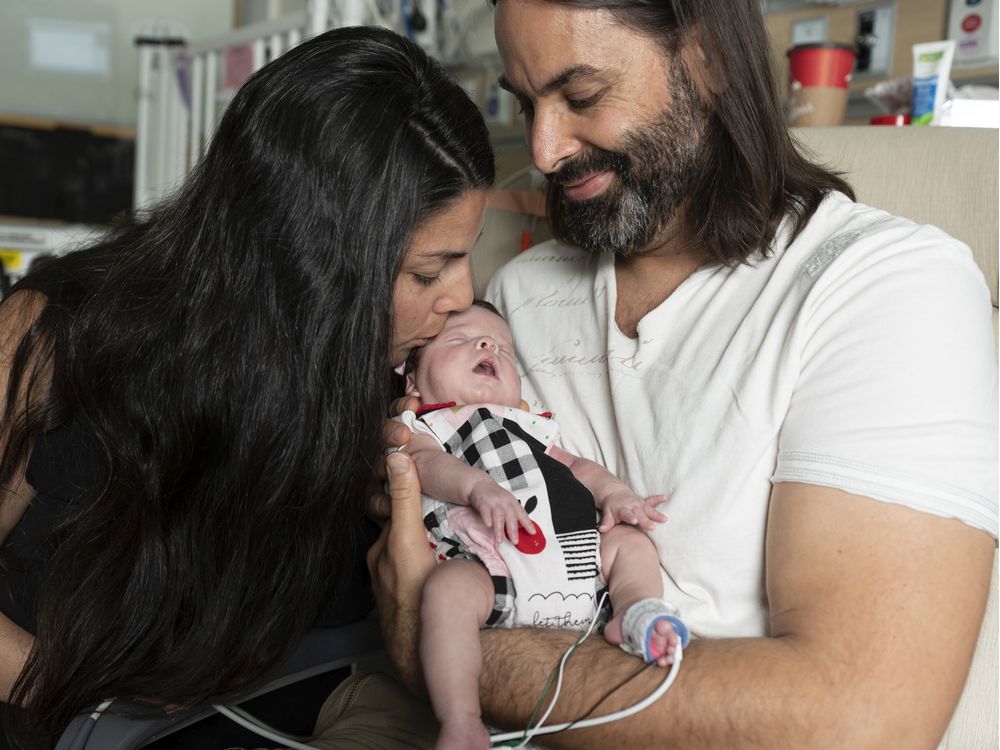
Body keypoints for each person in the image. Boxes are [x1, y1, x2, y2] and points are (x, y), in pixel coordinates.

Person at [368, 0, 998, 747]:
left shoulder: (884, 286)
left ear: (707, 57)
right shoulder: (513, 300)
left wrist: (440, 650)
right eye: (526, 102)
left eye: (582, 95)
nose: (543, 149)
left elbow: (861, 722)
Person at [0, 26, 493, 749]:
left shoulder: (384, 388)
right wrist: (69, 686)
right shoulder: (53, 338)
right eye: (429, 271)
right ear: (312, 265)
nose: (464, 295)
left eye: (465, 259)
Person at [399, 300, 680, 749]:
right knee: (446, 592)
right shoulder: (429, 426)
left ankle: (633, 610)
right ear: (413, 380)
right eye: (459, 339)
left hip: (575, 563)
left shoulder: (530, 429)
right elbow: (426, 466)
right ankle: (461, 718)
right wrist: (476, 488)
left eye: (505, 351)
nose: (488, 344)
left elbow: (580, 468)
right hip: (490, 567)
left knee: (630, 544)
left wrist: (616, 496)